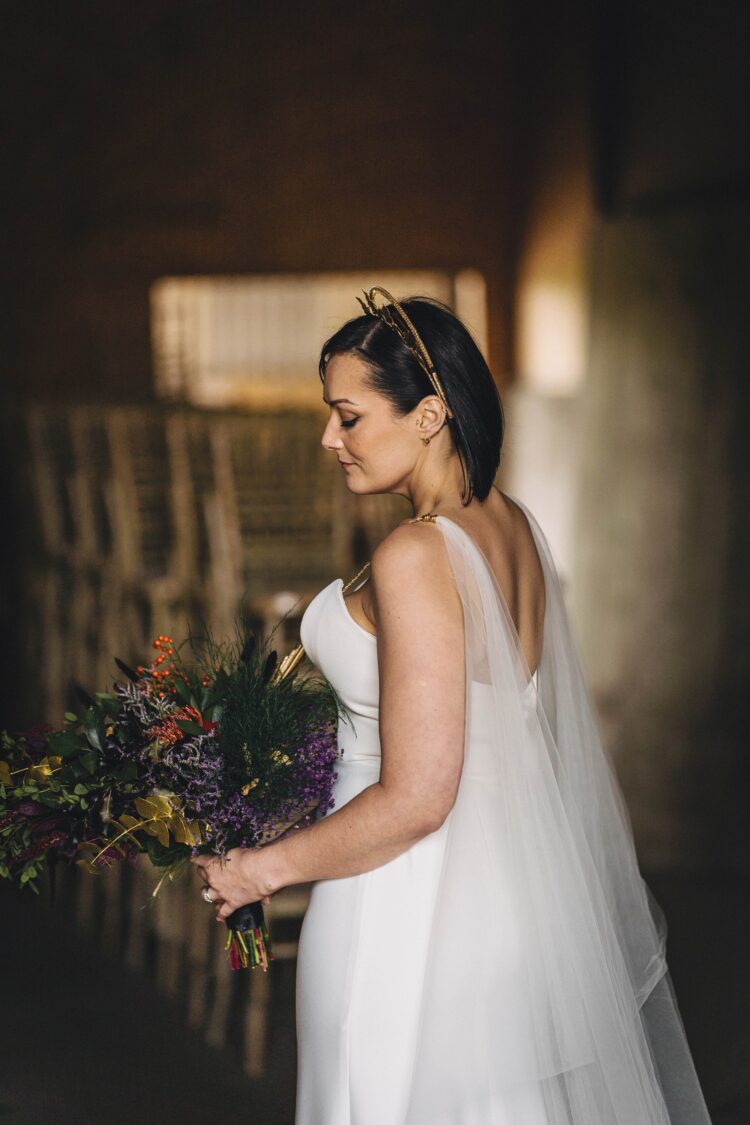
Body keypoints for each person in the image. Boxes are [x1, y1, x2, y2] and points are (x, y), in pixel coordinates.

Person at [194, 290, 711, 1123]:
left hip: (402, 908)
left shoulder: (417, 552)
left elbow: (420, 793)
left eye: (348, 416)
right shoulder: (517, 529)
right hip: (502, 907)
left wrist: (260, 868)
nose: (330, 439)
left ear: (429, 413)